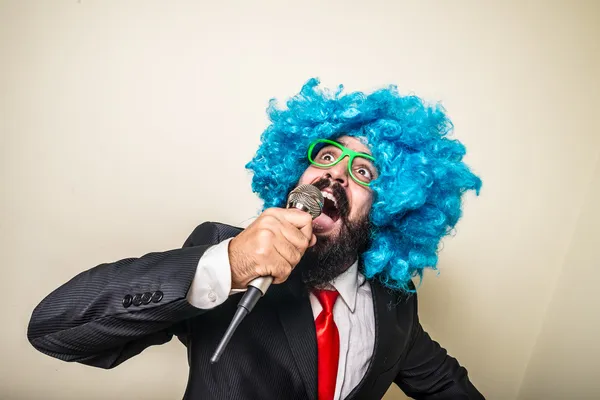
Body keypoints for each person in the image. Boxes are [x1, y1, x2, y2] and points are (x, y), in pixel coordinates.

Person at [28, 78, 484, 399]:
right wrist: (229, 265)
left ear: (391, 207)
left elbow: (443, 383)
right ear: (294, 173)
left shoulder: (394, 301)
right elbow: (54, 331)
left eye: (362, 171)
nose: (334, 174)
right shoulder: (223, 249)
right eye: (325, 155)